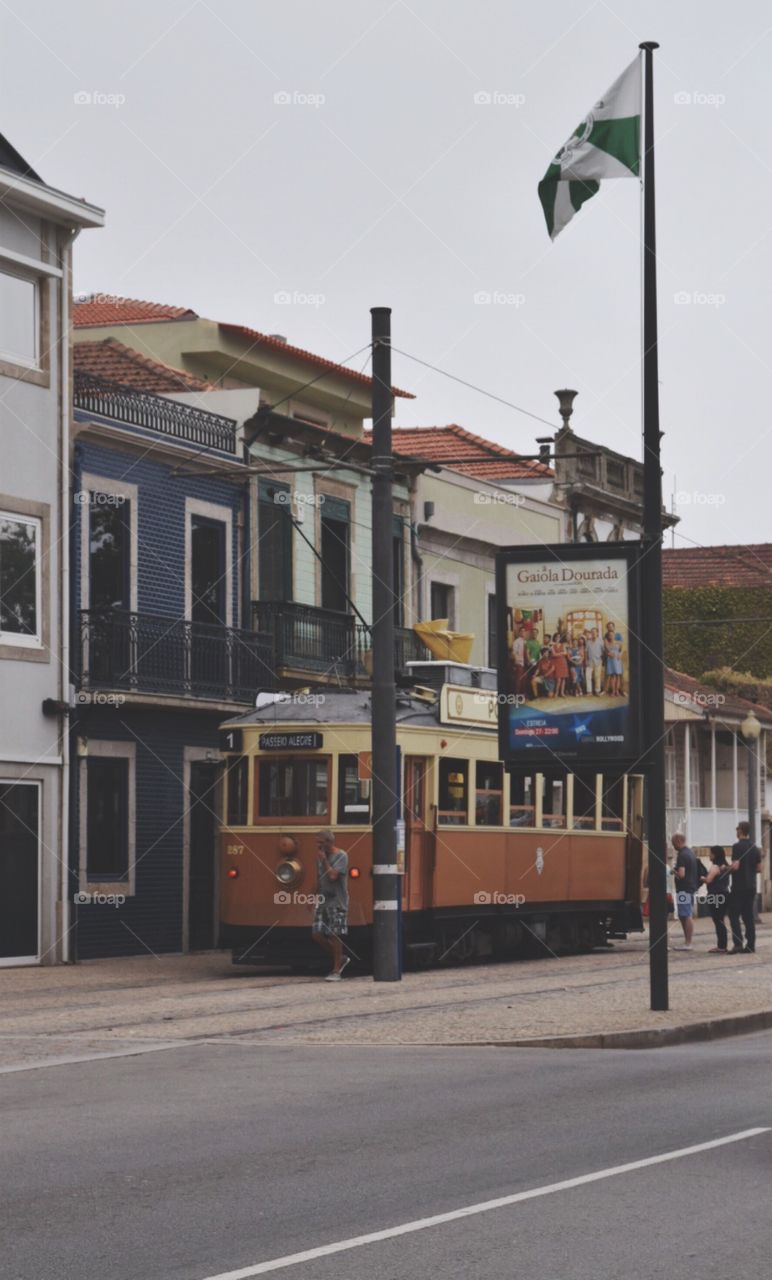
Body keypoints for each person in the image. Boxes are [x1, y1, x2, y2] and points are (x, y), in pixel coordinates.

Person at [311, 828, 350, 980]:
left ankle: (336, 970)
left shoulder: (341, 856)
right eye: (317, 843)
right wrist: (311, 898)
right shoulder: (319, 858)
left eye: (321, 843)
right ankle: (340, 958)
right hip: (323, 901)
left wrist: (324, 860)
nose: (318, 846)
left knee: (335, 934)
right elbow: (318, 879)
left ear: (329, 842)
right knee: (317, 934)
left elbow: (333, 876)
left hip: (337, 901)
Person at [727, 820, 762, 954]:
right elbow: (759, 868)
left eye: (737, 829)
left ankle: (737, 943)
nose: (736, 832)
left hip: (738, 886)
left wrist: (726, 869)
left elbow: (735, 866)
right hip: (751, 886)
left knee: (733, 915)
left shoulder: (737, 846)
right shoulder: (755, 847)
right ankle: (751, 945)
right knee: (748, 916)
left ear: (740, 831)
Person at [671, 832, 698, 950]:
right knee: (685, 914)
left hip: (683, 889)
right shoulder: (690, 853)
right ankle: (688, 941)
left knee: (686, 914)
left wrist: (673, 872)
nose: (673, 846)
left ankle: (688, 943)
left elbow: (681, 874)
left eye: (673, 843)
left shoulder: (682, 855)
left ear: (678, 841)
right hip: (691, 887)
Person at [703, 845, 731, 953]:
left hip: (715, 896)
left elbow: (709, 880)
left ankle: (721, 946)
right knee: (721, 920)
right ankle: (722, 945)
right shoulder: (725, 866)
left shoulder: (715, 867)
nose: (709, 855)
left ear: (715, 855)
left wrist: (702, 878)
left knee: (718, 920)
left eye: (711, 853)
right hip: (724, 894)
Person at [586, 628, 604, 695]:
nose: (593, 633)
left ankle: (597, 691)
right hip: (589, 661)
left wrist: (601, 659)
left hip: (598, 661)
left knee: (597, 676)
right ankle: (589, 691)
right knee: (588, 676)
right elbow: (586, 652)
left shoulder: (601, 641)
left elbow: (603, 651)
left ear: (597, 633)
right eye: (592, 632)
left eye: (594, 632)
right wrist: (586, 660)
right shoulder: (588, 642)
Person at [551, 632, 569, 698]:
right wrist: (561, 653)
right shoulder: (552, 645)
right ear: (554, 638)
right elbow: (553, 654)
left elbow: (566, 653)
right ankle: (556, 692)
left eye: (559, 637)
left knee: (563, 678)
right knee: (558, 679)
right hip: (556, 662)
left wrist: (558, 653)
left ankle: (562, 693)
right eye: (556, 637)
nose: (557, 638)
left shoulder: (562, 644)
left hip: (563, 662)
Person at [511, 626, 526, 696]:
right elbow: (514, 653)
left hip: (525, 663)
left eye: (524, 631)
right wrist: (517, 661)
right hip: (519, 663)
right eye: (522, 631)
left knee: (523, 679)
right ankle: (517, 695)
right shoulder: (516, 641)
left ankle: (522, 694)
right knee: (518, 680)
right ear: (519, 632)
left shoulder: (525, 641)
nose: (523, 632)